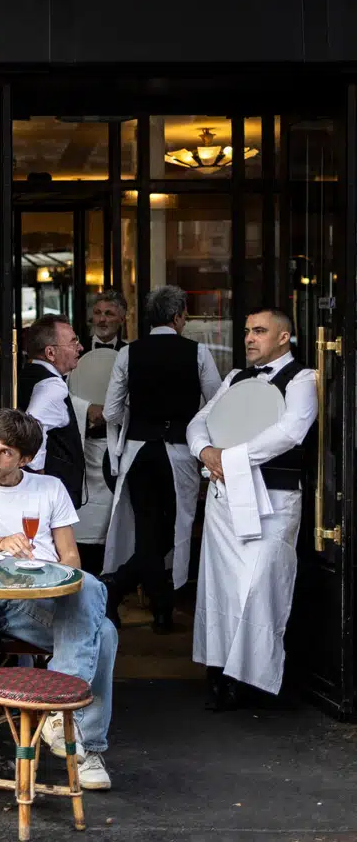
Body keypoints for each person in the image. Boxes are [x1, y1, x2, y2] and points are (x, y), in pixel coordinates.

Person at [0, 408, 117, 792]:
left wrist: (51, 573)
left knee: (89, 589)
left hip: (53, 596)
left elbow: (70, 557)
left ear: (25, 459)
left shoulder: (50, 488)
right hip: (6, 603)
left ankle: (63, 721)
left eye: (5, 452)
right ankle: (83, 744)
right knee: (102, 633)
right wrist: (1, 543)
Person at [187, 309, 316, 708]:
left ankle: (254, 674)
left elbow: (291, 431)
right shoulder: (234, 378)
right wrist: (205, 451)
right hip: (225, 499)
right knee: (221, 585)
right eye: (246, 331)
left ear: (284, 337)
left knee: (260, 586)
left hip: (274, 497)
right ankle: (220, 671)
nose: (249, 338)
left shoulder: (303, 379)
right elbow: (200, 420)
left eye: (259, 331)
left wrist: (231, 458)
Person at [101, 285, 221, 633]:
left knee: (148, 532)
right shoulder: (197, 352)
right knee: (172, 531)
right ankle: (160, 607)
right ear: (178, 316)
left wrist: (135, 418)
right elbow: (216, 403)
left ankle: (127, 591)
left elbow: (110, 410)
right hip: (180, 451)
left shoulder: (129, 353)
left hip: (138, 451)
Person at [73, 292, 129, 574]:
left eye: (109, 313)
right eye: (98, 312)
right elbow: (59, 394)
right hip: (82, 449)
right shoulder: (75, 352)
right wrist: (85, 410)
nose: (103, 319)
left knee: (114, 522)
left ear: (122, 318)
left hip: (115, 448)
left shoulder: (131, 353)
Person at [18, 314, 84, 508]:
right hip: (50, 492)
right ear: (50, 353)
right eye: (73, 342)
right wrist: (39, 479)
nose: (79, 348)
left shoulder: (26, 374)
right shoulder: (52, 385)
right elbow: (33, 426)